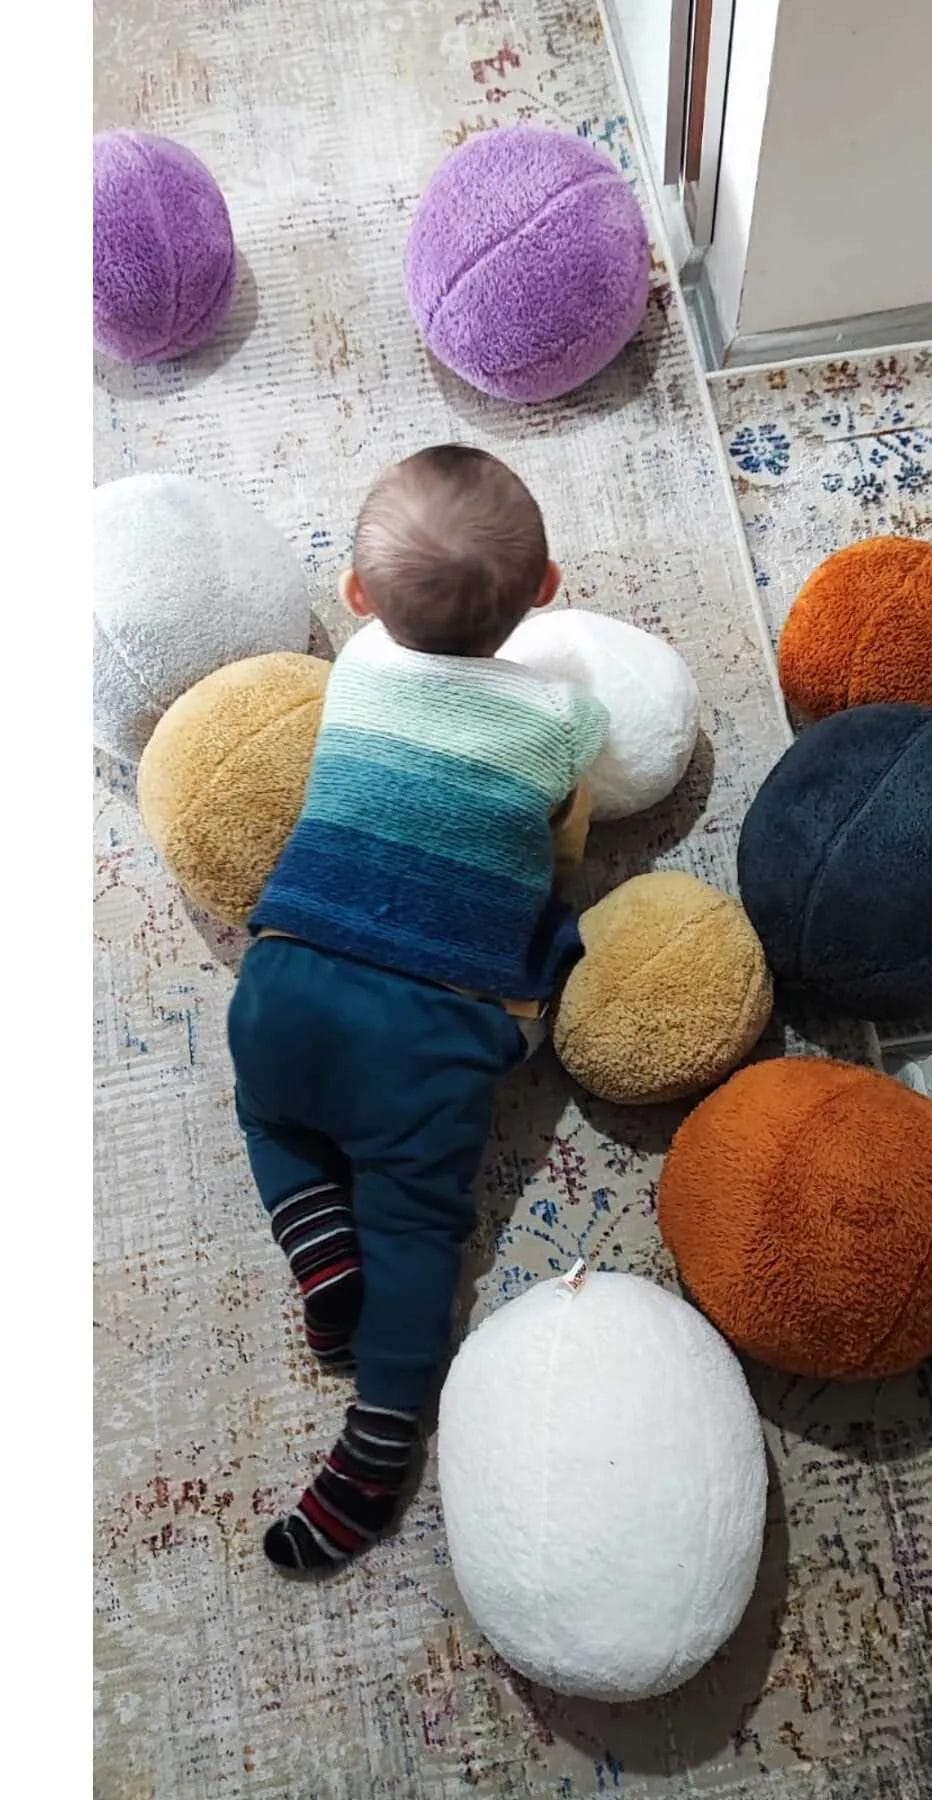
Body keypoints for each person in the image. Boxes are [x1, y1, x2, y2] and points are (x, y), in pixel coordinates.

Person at [228, 445, 608, 1572]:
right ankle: (378, 1439)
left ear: (357, 597)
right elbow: (570, 814)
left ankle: (314, 1237)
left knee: (267, 1111)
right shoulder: (563, 720)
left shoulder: (353, 668)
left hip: (286, 976)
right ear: (547, 591)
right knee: (414, 1231)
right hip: (432, 1030)